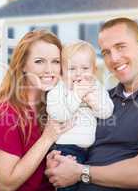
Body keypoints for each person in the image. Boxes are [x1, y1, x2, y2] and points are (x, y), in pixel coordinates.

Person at [45, 17, 138, 191]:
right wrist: (56, 159)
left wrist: (80, 172)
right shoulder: (105, 98)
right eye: (106, 52)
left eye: (121, 47)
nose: (114, 58)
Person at [0, 29, 72, 191]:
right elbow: (6, 184)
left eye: (56, 62)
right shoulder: (6, 115)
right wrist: (47, 138)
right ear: (22, 65)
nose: (49, 70)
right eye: (39, 61)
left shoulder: (51, 108)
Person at [46, 41, 114, 191]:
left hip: (91, 150)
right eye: (72, 68)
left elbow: (107, 112)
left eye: (85, 68)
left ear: (94, 70)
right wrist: (76, 96)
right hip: (66, 148)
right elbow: (58, 114)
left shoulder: (95, 87)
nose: (78, 73)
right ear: (62, 71)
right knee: (68, 185)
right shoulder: (58, 90)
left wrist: (93, 102)